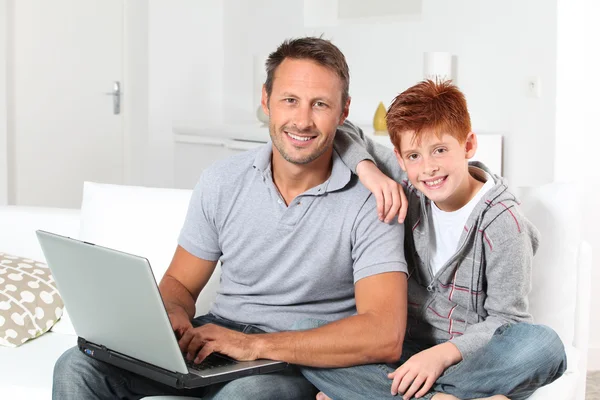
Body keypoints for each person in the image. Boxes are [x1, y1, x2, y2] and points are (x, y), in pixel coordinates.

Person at [52, 37, 411, 400]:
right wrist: (171, 314)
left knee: (244, 395)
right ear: (265, 100)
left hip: (293, 358)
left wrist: (254, 345)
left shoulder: (375, 198)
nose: (302, 120)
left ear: (343, 112)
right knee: (77, 366)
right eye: (290, 100)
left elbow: (384, 333)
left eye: (320, 104)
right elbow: (180, 281)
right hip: (216, 336)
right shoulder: (223, 180)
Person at [301, 80, 567, 400]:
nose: (428, 168)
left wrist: (441, 355)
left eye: (440, 150)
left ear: (468, 146)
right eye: (414, 156)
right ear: (400, 159)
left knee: (544, 347)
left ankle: (381, 394)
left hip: (469, 358)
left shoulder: (504, 225)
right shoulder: (411, 189)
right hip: (404, 351)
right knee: (305, 332)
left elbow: (506, 321)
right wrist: (368, 170)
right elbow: (341, 131)